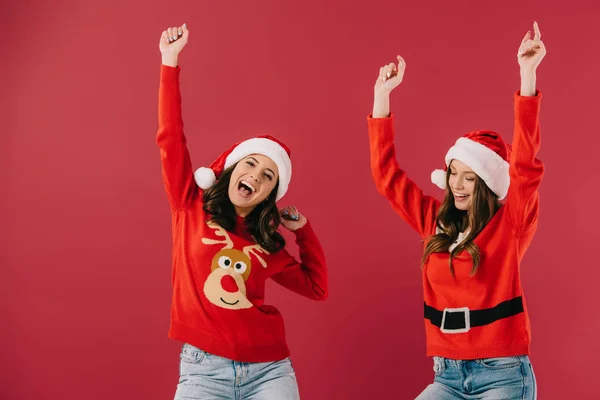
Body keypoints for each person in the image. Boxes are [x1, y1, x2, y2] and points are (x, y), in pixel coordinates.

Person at [368, 22, 546, 399]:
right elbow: (387, 177)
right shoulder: (435, 222)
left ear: (488, 186)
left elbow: (526, 168)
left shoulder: (510, 223)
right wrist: (381, 97)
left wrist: (527, 75)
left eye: (471, 178)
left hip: (504, 374)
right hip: (447, 375)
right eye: (453, 174)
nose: (458, 185)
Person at [157, 23, 328, 400]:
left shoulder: (265, 245)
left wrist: (304, 232)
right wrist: (170, 62)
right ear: (233, 170)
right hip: (203, 372)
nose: (255, 176)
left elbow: (317, 289)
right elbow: (171, 138)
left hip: (269, 371)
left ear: (269, 194)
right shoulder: (190, 205)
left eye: (268, 176)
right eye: (249, 164)